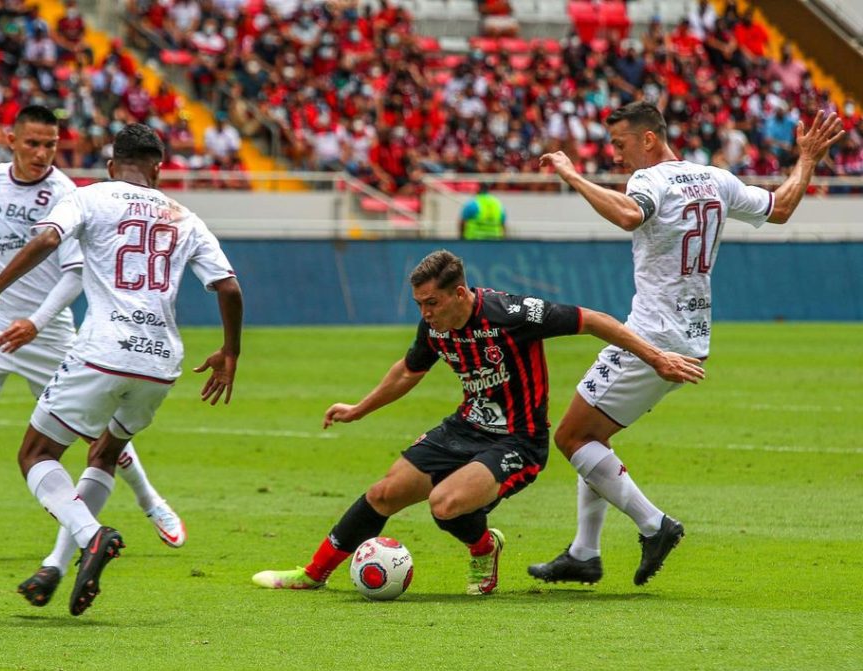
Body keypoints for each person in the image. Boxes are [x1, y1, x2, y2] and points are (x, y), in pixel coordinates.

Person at [252, 249, 703, 595]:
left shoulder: (510, 314)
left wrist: (656, 357)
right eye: (419, 304)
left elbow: (593, 320)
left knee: (445, 505)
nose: (425, 313)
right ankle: (312, 576)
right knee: (383, 493)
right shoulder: (433, 325)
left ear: (460, 294)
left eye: (432, 303)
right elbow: (408, 371)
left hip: (518, 440)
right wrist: (358, 409)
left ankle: (483, 548)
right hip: (465, 427)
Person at [531, 101, 845, 586]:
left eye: (620, 144)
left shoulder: (648, 182)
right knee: (593, 435)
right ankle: (584, 552)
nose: (616, 156)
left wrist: (572, 175)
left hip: (651, 337)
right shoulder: (714, 178)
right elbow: (780, 208)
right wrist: (807, 159)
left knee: (572, 437)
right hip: (691, 335)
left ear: (649, 139)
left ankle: (655, 525)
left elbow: (629, 216)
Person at [0, 123, 243, 616]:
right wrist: (229, 352)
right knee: (106, 454)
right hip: (160, 361)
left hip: (103, 350)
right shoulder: (186, 217)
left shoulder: (91, 197)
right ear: (158, 168)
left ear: (112, 166)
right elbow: (229, 288)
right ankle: (56, 564)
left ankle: (91, 534)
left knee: (36, 453)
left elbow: (47, 240)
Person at [0, 107, 186, 575]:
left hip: (47, 329)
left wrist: (35, 321)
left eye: (50, 145)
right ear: (10, 138)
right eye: (32, 143)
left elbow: (74, 273)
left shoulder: (69, 195)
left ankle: (150, 500)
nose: (41, 153)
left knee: (101, 430)